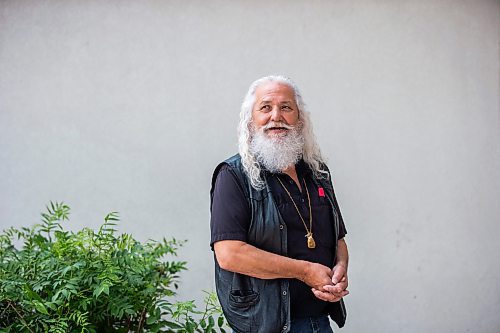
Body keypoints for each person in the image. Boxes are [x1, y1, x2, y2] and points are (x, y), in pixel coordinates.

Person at [210, 75, 349, 333]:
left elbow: (338, 239)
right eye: (266, 107)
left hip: (320, 322)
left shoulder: (318, 172)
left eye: (286, 107)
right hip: (268, 326)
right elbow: (229, 254)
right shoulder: (233, 175)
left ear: (300, 119)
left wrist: (340, 270)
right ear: (250, 121)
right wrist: (304, 271)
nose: (277, 116)